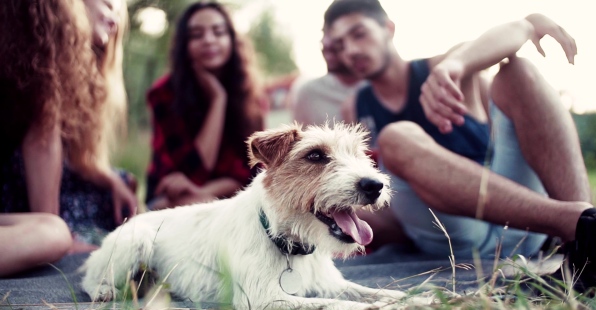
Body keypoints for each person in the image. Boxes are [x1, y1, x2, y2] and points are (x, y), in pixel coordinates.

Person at [324, 0, 596, 288]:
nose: (351, 50)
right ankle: (577, 222)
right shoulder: (355, 105)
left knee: (519, 72)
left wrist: (456, 66)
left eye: (359, 34)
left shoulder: (445, 65)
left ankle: (586, 238)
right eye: (341, 45)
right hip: (451, 237)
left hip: (521, 223)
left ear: (388, 28)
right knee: (396, 136)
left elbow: (518, 28)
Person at [0, 0, 137, 252]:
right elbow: (41, 141)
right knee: (53, 234)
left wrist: (110, 179)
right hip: (17, 191)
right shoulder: (40, 47)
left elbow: (73, 154)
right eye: (107, 5)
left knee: (121, 182)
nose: (113, 17)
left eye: (117, 12)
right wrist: (59, 239)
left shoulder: (56, 57)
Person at [145, 2, 266, 210]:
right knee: (185, 205)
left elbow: (252, 170)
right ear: (185, 45)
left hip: (229, 197)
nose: (208, 40)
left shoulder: (251, 96)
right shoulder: (164, 94)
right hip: (171, 199)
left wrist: (205, 193)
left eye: (218, 32)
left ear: (232, 40)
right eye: (196, 35)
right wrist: (217, 100)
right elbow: (193, 171)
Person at [291, 32, 365, 125]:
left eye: (334, 50)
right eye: (324, 50)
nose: (329, 57)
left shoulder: (377, 87)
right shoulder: (308, 92)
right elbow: (298, 136)